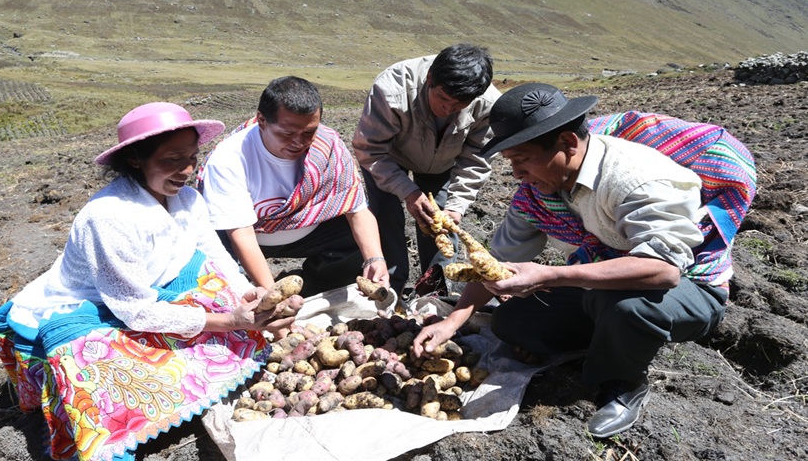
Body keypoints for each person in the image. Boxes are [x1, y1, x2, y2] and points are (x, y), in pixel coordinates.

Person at [413, 83, 756, 438]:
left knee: (626, 306)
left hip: (688, 289)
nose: (516, 173)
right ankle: (603, 340)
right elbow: (497, 259)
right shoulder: (539, 190)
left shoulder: (636, 179)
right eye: (511, 162)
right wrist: (453, 321)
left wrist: (551, 275)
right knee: (512, 323)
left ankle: (622, 383)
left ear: (567, 143)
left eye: (522, 159)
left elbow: (663, 271)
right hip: (598, 286)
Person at [0, 102, 296, 461]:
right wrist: (229, 321)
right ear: (135, 159)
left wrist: (250, 293)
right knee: (101, 373)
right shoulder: (107, 218)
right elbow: (135, 312)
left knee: (219, 291)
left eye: (192, 158)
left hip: (152, 291)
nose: (187, 170)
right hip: (92, 309)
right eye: (172, 159)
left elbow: (214, 255)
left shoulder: (188, 199)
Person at [197, 76, 389, 297]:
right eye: (287, 134)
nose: (299, 142)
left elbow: (357, 211)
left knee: (354, 239)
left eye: (309, 132)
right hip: (245, 239)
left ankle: (313, 291)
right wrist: (273, 297)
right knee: (218, 277)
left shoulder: (328, 147)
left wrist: (375, 259)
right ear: (262, 120)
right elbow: (242, 236)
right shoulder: (230, 158)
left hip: (307, 234)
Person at [351, 43, 501, 297]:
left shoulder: (488, 104)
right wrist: (409, 193)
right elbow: (371, 150)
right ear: (430, 78)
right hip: (388, 158)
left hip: (442, 162)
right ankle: (388, 290)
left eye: (459, 104)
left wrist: (456, 206)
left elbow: (477, 160)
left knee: (441, 225)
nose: (447, 109)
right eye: (442, 98)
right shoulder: (391, 89)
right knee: (386, 219)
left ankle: (435, 293)